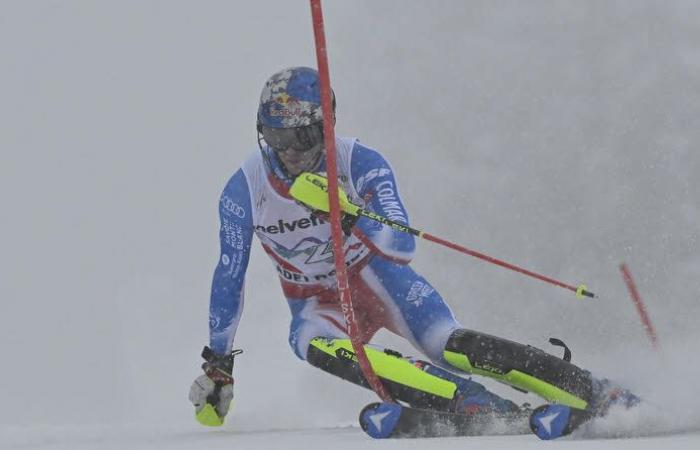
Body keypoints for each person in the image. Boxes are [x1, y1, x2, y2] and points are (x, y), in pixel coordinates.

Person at [189, 67, 635, 428]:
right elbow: (230, 276)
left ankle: (591, 390)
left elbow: (400, 247)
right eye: (275, 136)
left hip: (376, 275)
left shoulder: (359, 162)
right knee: (308, 342)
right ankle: (473, 404)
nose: (288, 153)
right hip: (315, 300)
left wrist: (351, 213)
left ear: (326, 126)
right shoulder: (244, 190)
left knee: (448, 345)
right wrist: (218, 363)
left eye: (300, 139)